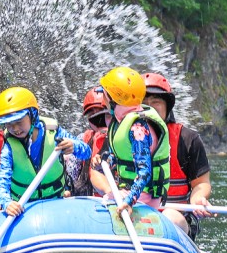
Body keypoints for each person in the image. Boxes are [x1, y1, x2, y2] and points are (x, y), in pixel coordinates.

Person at [0, 86, 91, 218]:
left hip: (55, 203)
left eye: (19, 121)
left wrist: (74, 146)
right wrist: (7, 203)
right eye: (9, 124)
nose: (15, 129)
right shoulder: (9, 147)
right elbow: (1, 184)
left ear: (32, 115)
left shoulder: (54, 132)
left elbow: (87, 153)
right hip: (24, 208)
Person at [90, 67, 170, 219]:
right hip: (129, 190)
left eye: (105, 95)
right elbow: (124, 157)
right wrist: (106, 160)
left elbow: (145, 172)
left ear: (114, 98)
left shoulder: (137, 128)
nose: (103, 100)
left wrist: (129, 201)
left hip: (142, 196)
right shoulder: (121, 122)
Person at [142, 72, 213, 238]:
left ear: (167, 107)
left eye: (155, 102)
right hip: (135, 214)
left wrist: (198, 199)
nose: (148, 107)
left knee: (168, 218)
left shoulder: (187, 139)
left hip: (175, 219)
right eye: (143, 103)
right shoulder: (122, 138)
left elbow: (201, 183)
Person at [67, 87, 111, 197]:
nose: (98, 119)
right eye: (92, 114)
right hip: (90, 201)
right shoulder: (83, 140)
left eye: (101, 113)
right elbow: (71, 174)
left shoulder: (126, 137)